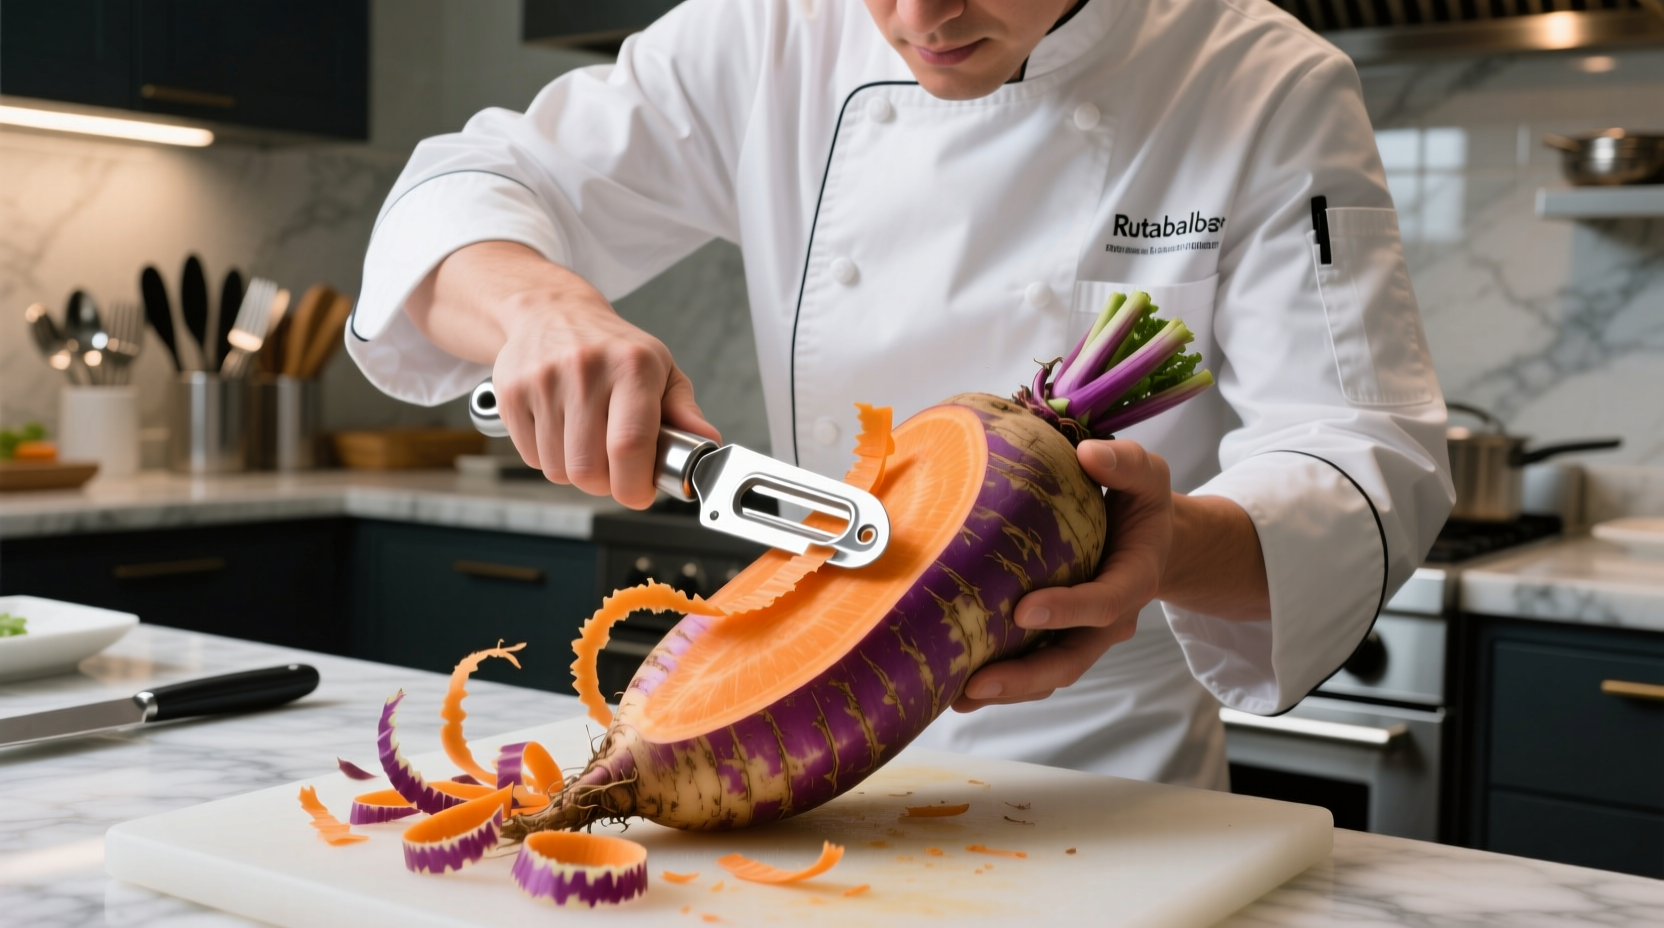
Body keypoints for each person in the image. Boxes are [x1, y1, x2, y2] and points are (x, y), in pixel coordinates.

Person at [348, 0, 1454, 789]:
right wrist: (540, 306)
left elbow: (1366, 457)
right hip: (784, 738)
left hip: (1091, 776)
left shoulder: (1259, 80)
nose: (919, 15)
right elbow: (470, 187)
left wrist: (1170, 550)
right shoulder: (766, 33)